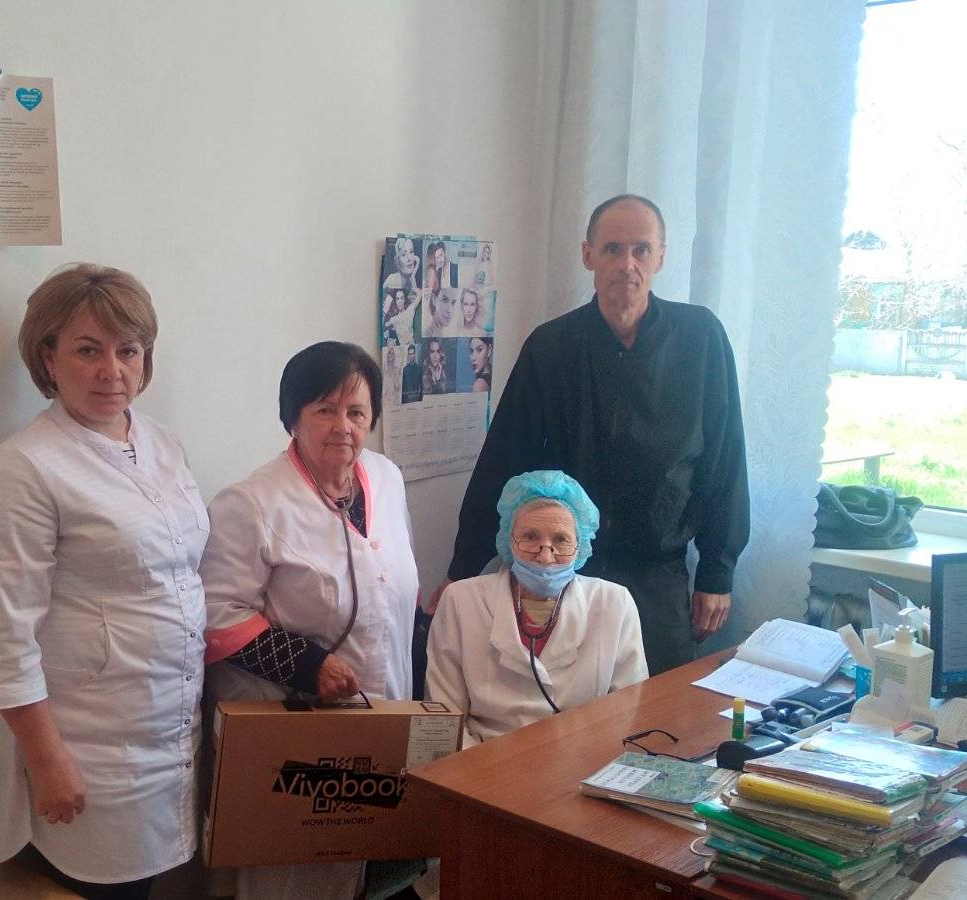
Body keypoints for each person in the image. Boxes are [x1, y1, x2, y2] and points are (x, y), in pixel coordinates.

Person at [0, 264, 207, 899]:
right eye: (88, 350)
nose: (112, 371)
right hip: (90, 748)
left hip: (170, 731)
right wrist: (46, 761)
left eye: (129, 351)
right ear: (48, 356)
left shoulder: (163, 444)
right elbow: (2, 637)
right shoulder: (23, 470)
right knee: (100, 886)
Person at [443, 194, 749, 675]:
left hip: (658, 574)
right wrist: (461, 571)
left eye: (641, 249)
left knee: (655, 710)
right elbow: (504, 460)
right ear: (588, 255)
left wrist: (718, 571)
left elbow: (725, 463)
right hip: (562, 571)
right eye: (612, 249)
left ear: (661, 257)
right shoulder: (551, 346)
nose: (627, 264)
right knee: (564, 703)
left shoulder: (701, 338)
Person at [200, 341, 419, 900]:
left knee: (370, 862)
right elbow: (217, 615)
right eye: (325, 409)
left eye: (357, 412)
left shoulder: (387, 478)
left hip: (383, 712)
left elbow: (392, 587)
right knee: (296, 874)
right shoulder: (252, 503)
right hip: (295, 730)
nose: (343, 426)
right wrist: (308, 666)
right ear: (292, 417)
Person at [427, 470, 646, 744]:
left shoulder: (614, 603)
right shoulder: (461, 601)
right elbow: (444, 716)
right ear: (509, 540)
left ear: (581, 545)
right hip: (486, 755)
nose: (545, 556)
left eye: (561, 539)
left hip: (582, 754)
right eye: (530, 537)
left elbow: (627, 710)